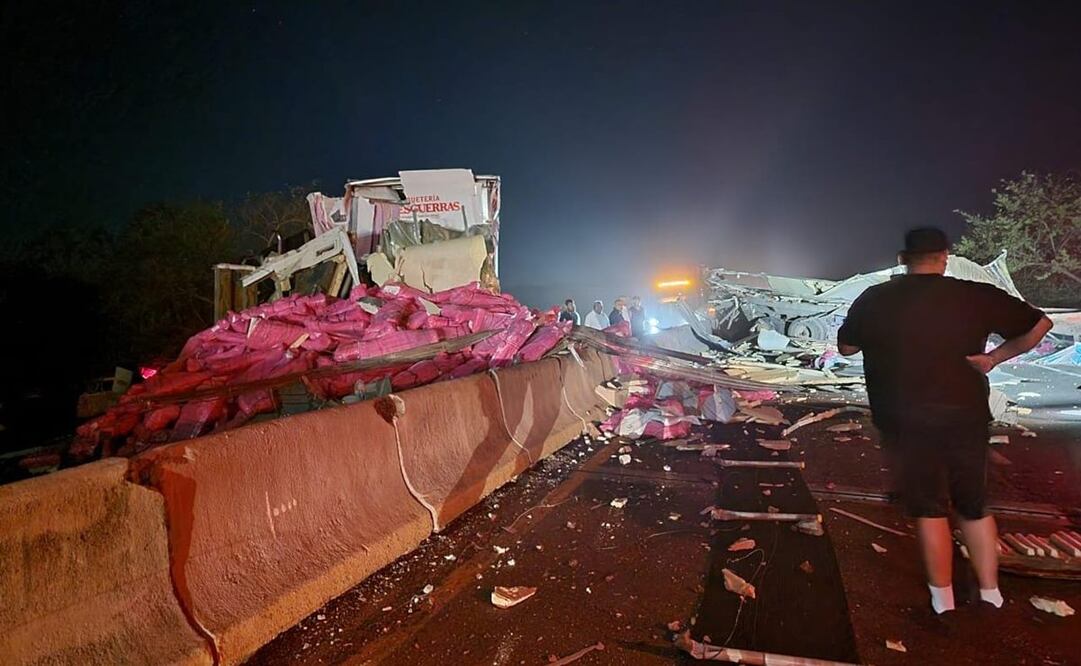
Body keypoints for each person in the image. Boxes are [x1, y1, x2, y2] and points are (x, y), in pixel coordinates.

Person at [836, 227, 1051, 615]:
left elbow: (846, 347)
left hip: (905, 418)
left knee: (930, 507)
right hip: (966, 415)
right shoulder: (974, 295)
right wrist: (994, 358)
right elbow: (1040, 325)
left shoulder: (876, 297)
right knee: (974, 505)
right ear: (945, 257)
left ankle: (943, 601)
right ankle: (991, 594)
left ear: (903, 259)